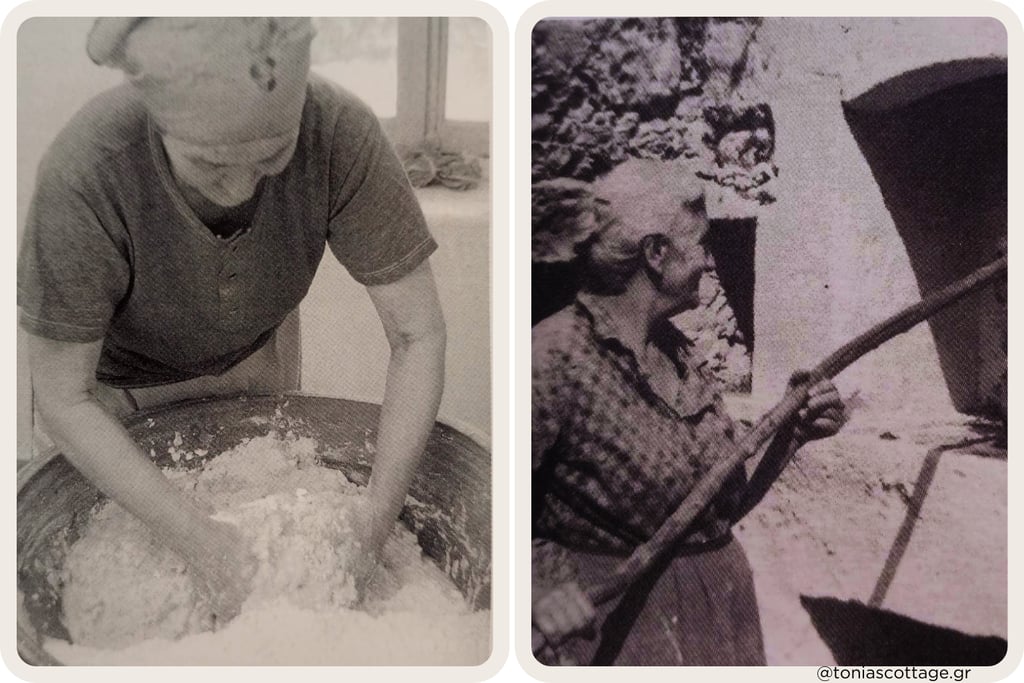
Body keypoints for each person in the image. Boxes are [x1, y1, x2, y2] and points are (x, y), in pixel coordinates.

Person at [17, 18, 446, 623]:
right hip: (109, 401)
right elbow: (66, 397)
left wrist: (372, 528)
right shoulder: (87, 174)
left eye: (272, 155)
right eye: (210, 164)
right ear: (159, 126)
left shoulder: (338, 133)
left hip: (256, 360)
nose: (241, 187)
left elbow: (416, 334)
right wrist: (206, 547)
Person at [531, 158, 845, 665]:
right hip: (620, 631)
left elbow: (714, 505)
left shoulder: (679, 353)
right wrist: (538, 583)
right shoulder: (556, 353)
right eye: (701, 243)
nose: (709, 261)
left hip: (718, 615)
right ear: (656, 253)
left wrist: (792, 430)